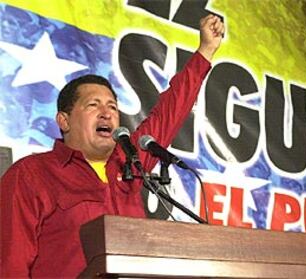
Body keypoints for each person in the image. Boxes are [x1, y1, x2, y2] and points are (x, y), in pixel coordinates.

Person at [0, 14, 224, 277]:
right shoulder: (31, 174)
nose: (107, 113)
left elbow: (170, 111)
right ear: (64, 120)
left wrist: (206, 51)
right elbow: (10, 262)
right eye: (93, 105)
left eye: (113, 107)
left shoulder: (129, 162)